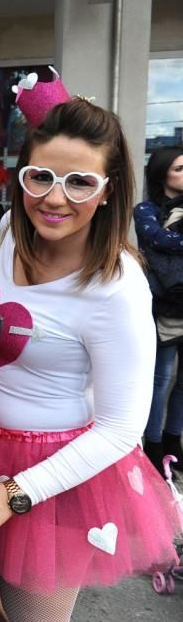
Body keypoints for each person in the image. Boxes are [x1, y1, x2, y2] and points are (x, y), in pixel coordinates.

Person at [0, 91, 181, 621]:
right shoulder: (8, 233)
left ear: (109, 191)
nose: (55, 198)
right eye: (40, 177)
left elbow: (120, 429)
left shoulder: (118, 287)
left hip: (51, 480)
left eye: (80, 182)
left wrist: (13, 495)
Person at [134, 146, 183, 469]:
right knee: (161, 378)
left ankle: (173, 441)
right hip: (163, 307)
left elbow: (165, 242)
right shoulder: (145, 210)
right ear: (161, 172)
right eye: (179, 168)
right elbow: (155, 240)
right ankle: (152, 443)